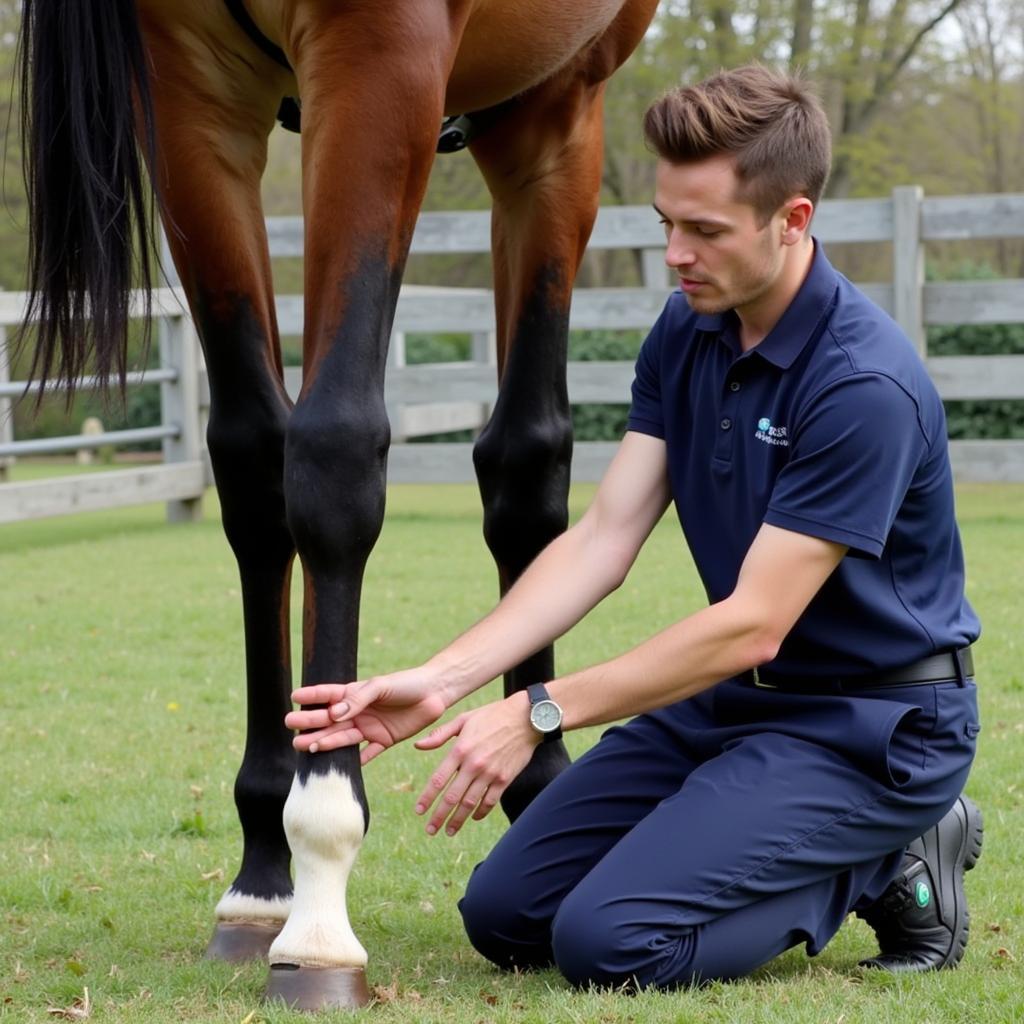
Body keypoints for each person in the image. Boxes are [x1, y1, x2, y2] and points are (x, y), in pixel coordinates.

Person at [285, 64, 984, 989]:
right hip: (743, 703)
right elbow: (603, 538)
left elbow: (752, 621)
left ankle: (889, 852)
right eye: (666, 224)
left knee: (610, 943)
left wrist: (539, 710)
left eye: (706, 231)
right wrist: (445, 680)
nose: (676, 255)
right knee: (506, 916)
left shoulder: (862, 385)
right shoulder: (686, 330)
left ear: (794, 220)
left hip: (873, 723)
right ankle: (774, 831)